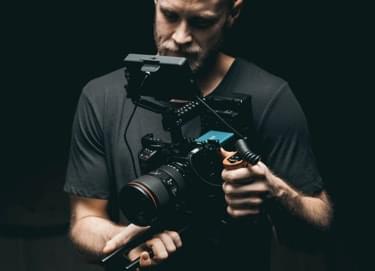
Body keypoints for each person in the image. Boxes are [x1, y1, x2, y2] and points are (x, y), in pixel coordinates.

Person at [64, 0, 333, 270]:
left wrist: (276, 191)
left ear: (233, 13)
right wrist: (122, 241)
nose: (180, 37)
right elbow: (85, 219)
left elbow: (317, 231)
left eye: (201, 22)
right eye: (169, 15)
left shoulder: (269, 96)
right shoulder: (101, 97)